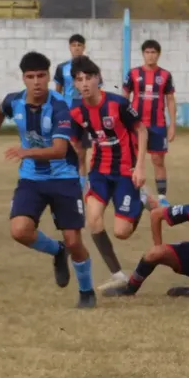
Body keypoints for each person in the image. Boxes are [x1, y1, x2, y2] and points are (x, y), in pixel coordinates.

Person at [0, 51, 96, 308]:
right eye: (30, 77)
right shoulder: (14, 101)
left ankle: (87, 291)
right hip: (31, 178)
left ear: (48, 76)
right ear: (23, 79)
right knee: (19, 231)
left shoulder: (60, 106)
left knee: (75, 241)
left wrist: (25, 151)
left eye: (41, 75)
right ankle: (56, 251)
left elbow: (59, 150)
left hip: (64, 177)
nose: (37, 82)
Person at [68, 56, 148, 291]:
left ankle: (142, 198)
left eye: (88, 78)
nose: (84, 84)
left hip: (125, 171)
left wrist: (141, 166)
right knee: (92, 220)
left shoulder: (117, 104)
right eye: (79, 79)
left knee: (121, 232)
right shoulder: (76, 112)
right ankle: (118, 275)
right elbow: (79, 149)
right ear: (74, 83)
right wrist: (80, 179)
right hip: (99, 172)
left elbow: (141, 130)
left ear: (98, 79)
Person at [122, 39, 176, 208]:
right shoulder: (133, 74)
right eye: (147, 52)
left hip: (157, 125)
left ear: (158, 55)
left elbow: (170, 100)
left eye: (153, 52)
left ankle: (161, 197)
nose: (150, 56)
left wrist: (172, 124)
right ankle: (136, 193)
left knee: (158, 160)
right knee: (132, 159)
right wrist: (122, 119)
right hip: (136, 124)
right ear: (143, 54)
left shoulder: (165, 75)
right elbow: (124, 97)